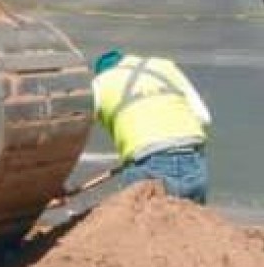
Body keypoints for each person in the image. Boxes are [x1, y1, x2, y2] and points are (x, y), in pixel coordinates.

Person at [91, 49, 212, 204]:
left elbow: (76, 127)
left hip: (147, 162)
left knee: (141, 224)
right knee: (190, 224)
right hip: (194, 159)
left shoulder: (99, 84)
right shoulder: (164, 66)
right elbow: (204, 118)